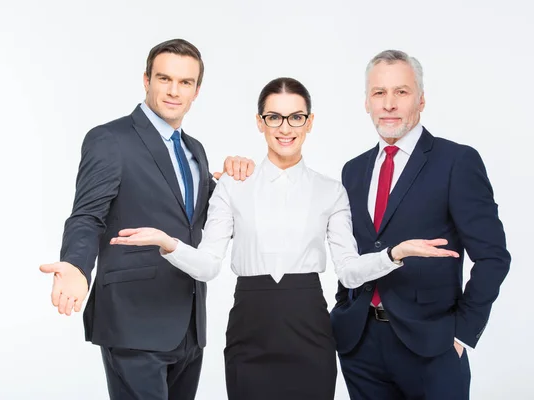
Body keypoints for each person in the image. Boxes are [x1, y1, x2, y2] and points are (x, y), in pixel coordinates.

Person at [111, 77, 459, 400]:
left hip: (309, 329)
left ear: (309, 122)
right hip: (250, 328)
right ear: (260, 122)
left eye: (295, 117)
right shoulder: (233, 185)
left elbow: (350, 272)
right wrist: (168, 243)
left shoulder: (330, 191)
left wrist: (394, 254)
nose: (285, 128)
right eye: (274, 117)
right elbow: (207, 267)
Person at [39, 38, 254, 400]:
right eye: (164, 78)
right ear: (146, 80)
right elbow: (87, 215)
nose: (173, 91)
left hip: (188, 323)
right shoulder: (111, 139)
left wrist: (236, 183)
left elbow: (199, 219)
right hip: (133, 320)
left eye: (185, 82)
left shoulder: (194, 150)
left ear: (196, 90)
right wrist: (77, 265)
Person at [330, 50, 511, 400]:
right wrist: (344, 308)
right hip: (360, 344)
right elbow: (351, 253)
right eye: (379, 93)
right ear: (366, 102)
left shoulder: (456, 161)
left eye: (402, 92)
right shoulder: (353, 170)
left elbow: (493, 258)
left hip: (433, 346)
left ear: (421, 100)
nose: (389, 104)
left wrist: (461, 334)